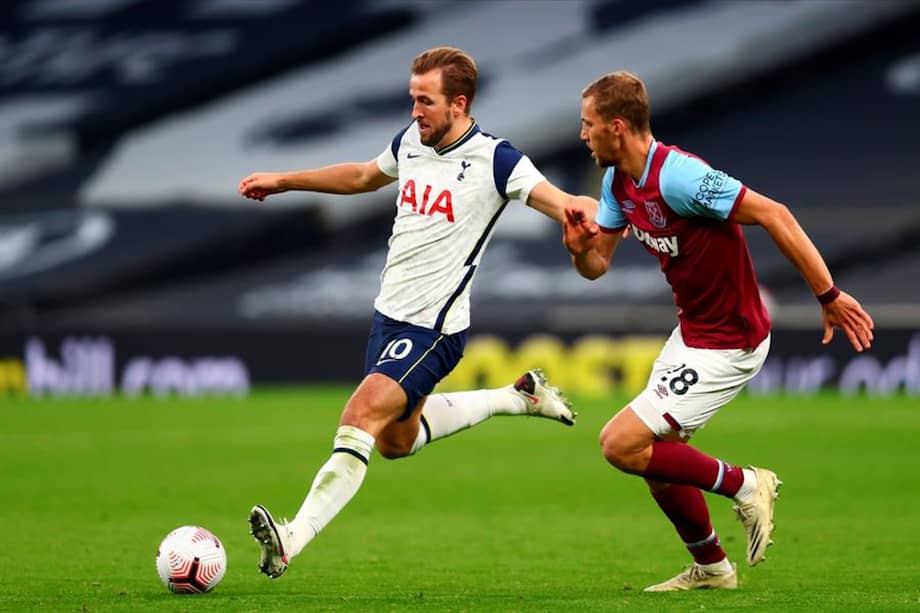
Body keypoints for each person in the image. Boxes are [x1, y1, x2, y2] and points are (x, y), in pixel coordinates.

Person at [238, 46, 596, 579]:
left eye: (424, 101)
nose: (414, 112)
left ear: (458, 103)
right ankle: (514, 397)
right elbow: (362, 176)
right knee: (394, 443)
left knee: (359, 415)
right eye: (412, 99)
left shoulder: (497, 160)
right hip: (389, 318)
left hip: (434, 329)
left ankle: (292, 537)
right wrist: (285, 180)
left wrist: (594, 222)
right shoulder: (412, 142)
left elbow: (567, 202)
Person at [562, 71, 874, 592]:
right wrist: (579, 251)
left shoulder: (681, 177)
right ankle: (712, 567)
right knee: (659, 460)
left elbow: (775, 214)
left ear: (617, 127)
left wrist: (829, 295)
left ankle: (747, 485)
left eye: (587, 124)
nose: (582, 134)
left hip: (731, 340)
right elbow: (599, 266)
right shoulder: (617, 182)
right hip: (692, 333)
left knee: (619, 443)